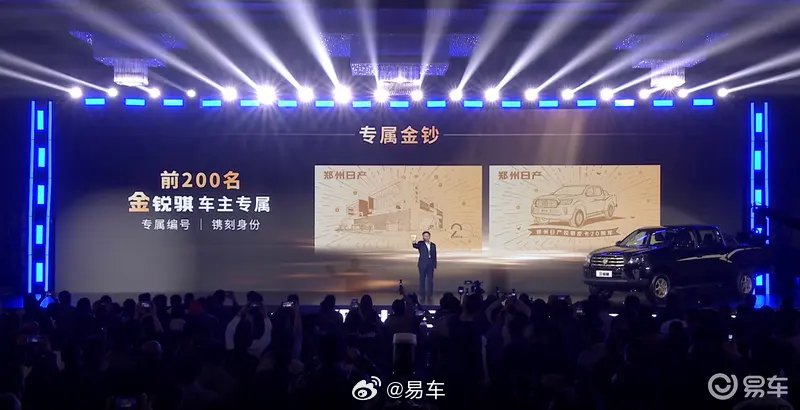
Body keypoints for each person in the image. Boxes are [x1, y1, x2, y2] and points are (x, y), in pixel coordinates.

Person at [412, 230, 437, 303]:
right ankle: (422, 295)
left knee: (430, 280)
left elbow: (434, 255)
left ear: (429, 236)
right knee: (422, 280)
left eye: (427, 236)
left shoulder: (433, 245)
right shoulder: (421, 243)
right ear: (423, 237)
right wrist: (413, 241)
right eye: (425, 236)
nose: (426, 237)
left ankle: (430, 295)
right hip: (422, 264)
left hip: (430, 264)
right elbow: (415, 246)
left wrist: (434, 264)